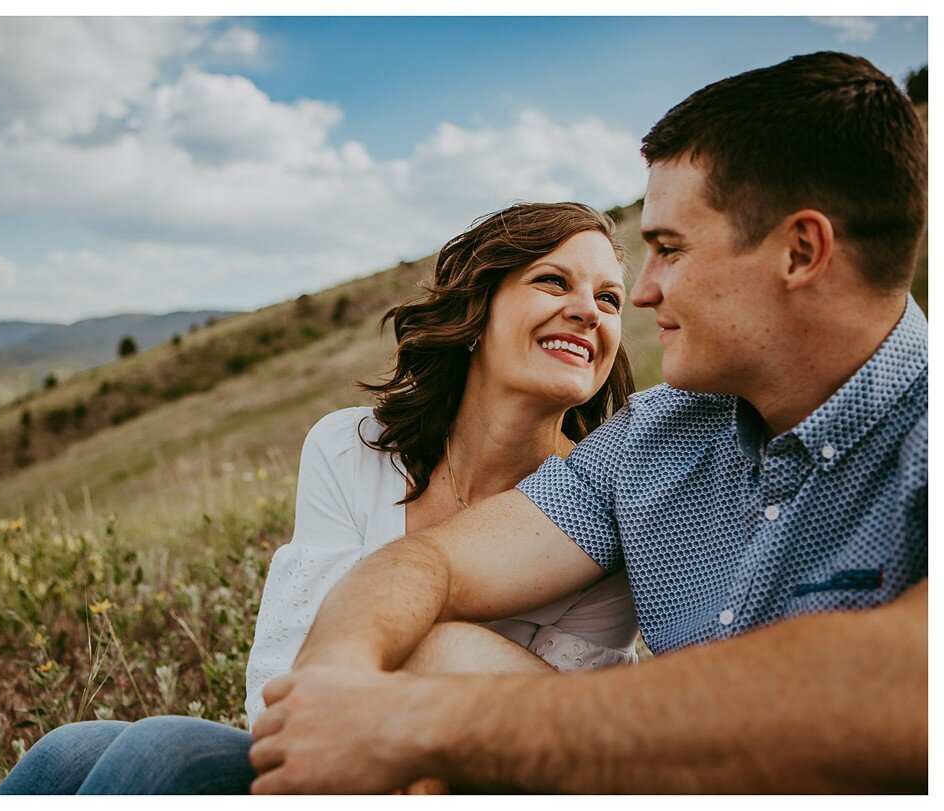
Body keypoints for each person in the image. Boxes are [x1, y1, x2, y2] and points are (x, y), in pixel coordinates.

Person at [248, 51, 928, 793]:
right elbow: (430, 562)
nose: (642, 294)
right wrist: (338, 684)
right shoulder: (654, 435)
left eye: (668, 249)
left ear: (800, 252)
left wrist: (418, 723)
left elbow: (910, 685)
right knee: (138, 756)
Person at [0, 202, 641, 794]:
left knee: (164, 751)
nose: (589, 308)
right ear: (478, 311)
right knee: (67, 750)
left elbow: (553, 744)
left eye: (610, 298)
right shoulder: (352, 450)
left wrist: (387, 636)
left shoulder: (599, 515)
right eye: (554, 282)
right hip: (321, 761)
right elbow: (281, 677)